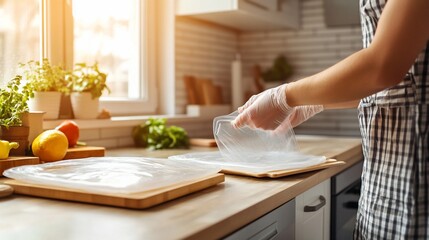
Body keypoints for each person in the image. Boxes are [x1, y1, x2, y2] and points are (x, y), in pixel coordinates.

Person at [232, 0, 429, 239]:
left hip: (416, 180)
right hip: (387, 181)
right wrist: (311, 104)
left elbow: (382, 65)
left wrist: (283, 96)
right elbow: (397, 86)